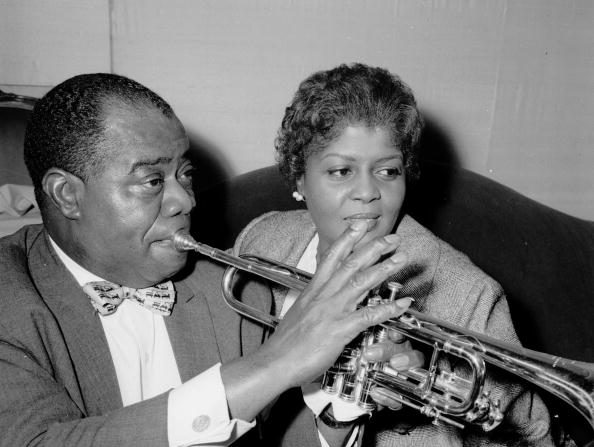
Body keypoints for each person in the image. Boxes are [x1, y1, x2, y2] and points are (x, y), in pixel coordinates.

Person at [0, 73, 418, 447]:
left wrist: (340, 405)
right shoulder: (8, 295)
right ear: (67, 195)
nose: (186, 199)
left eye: (185, 174)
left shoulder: (234, 288)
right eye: (151, 181)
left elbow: (273, 438)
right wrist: (275, 363)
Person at [233, 63, 561, 446]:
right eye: (341, 171)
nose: (368, 192)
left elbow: (531, 435)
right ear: (299, 178)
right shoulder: (261, 241)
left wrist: (425, 394)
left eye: (388, 171)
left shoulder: (470, 295)